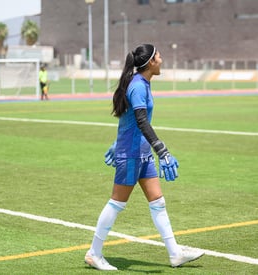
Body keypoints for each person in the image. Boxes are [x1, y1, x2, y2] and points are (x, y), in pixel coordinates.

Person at [84, 44, 204, 271]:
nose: (161, 59)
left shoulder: (142, 84)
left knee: (158, 202)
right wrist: (163, 150)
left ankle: (175, 254)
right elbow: (141, 121)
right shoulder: (138, 86)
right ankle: (94, 253)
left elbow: (130, 120)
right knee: (117, 203)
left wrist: (118, 142)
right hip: (131, 155)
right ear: (150, 62)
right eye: (159, 55)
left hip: (142, 153)